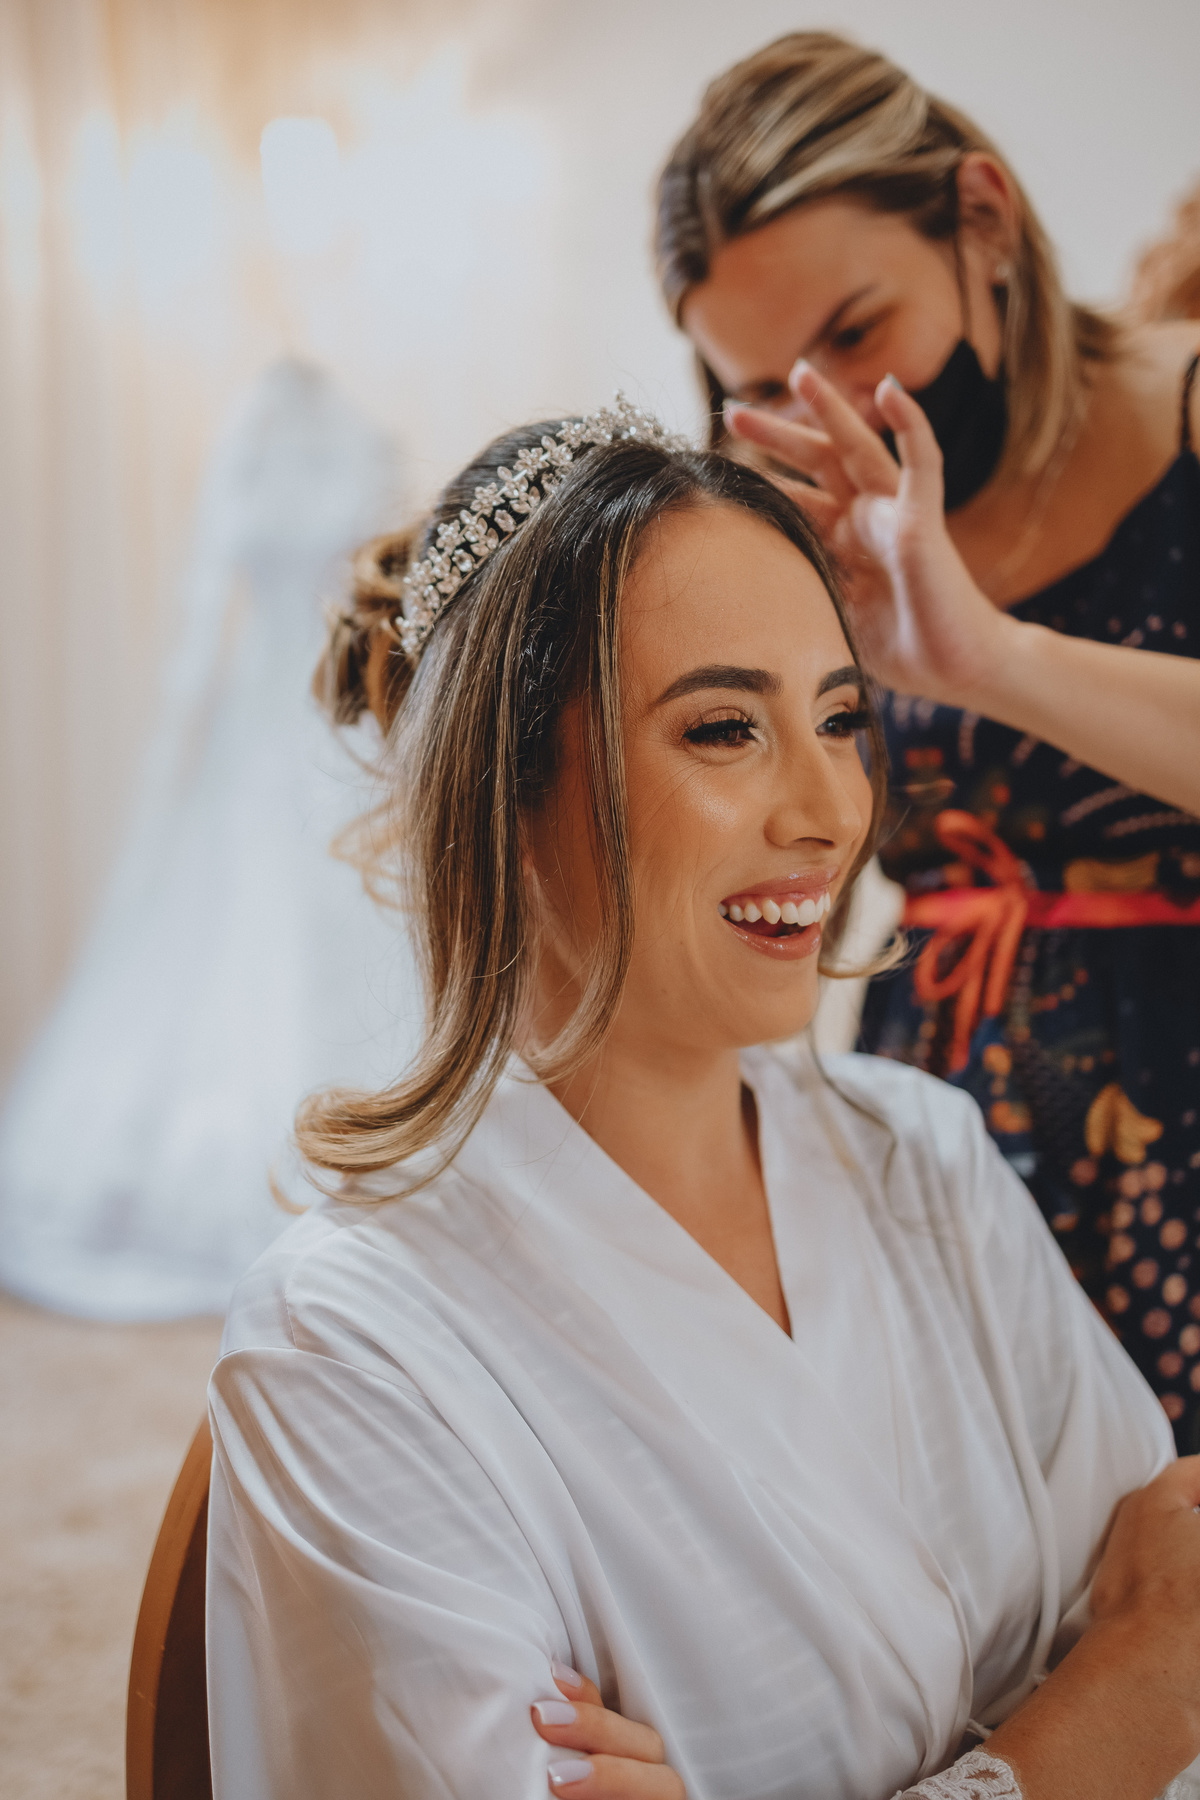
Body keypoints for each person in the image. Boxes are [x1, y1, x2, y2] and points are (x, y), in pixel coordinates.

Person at [207, 398, 1200, 1800]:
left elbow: (1180, 1603)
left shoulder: (928, 1153)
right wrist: (1124, 1690)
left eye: (842, 718)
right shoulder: (350, 1350)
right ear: (503, 785)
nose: (832, 810)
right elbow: (1165, 1662)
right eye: (725, 729)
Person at [654, 32, 1200, 1447]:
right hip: (946, 1114)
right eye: (768, 382)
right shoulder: (800, 511)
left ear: (983, 219)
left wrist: (992, 662)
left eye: (855, 335)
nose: (824, 411)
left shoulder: (1189, 409)